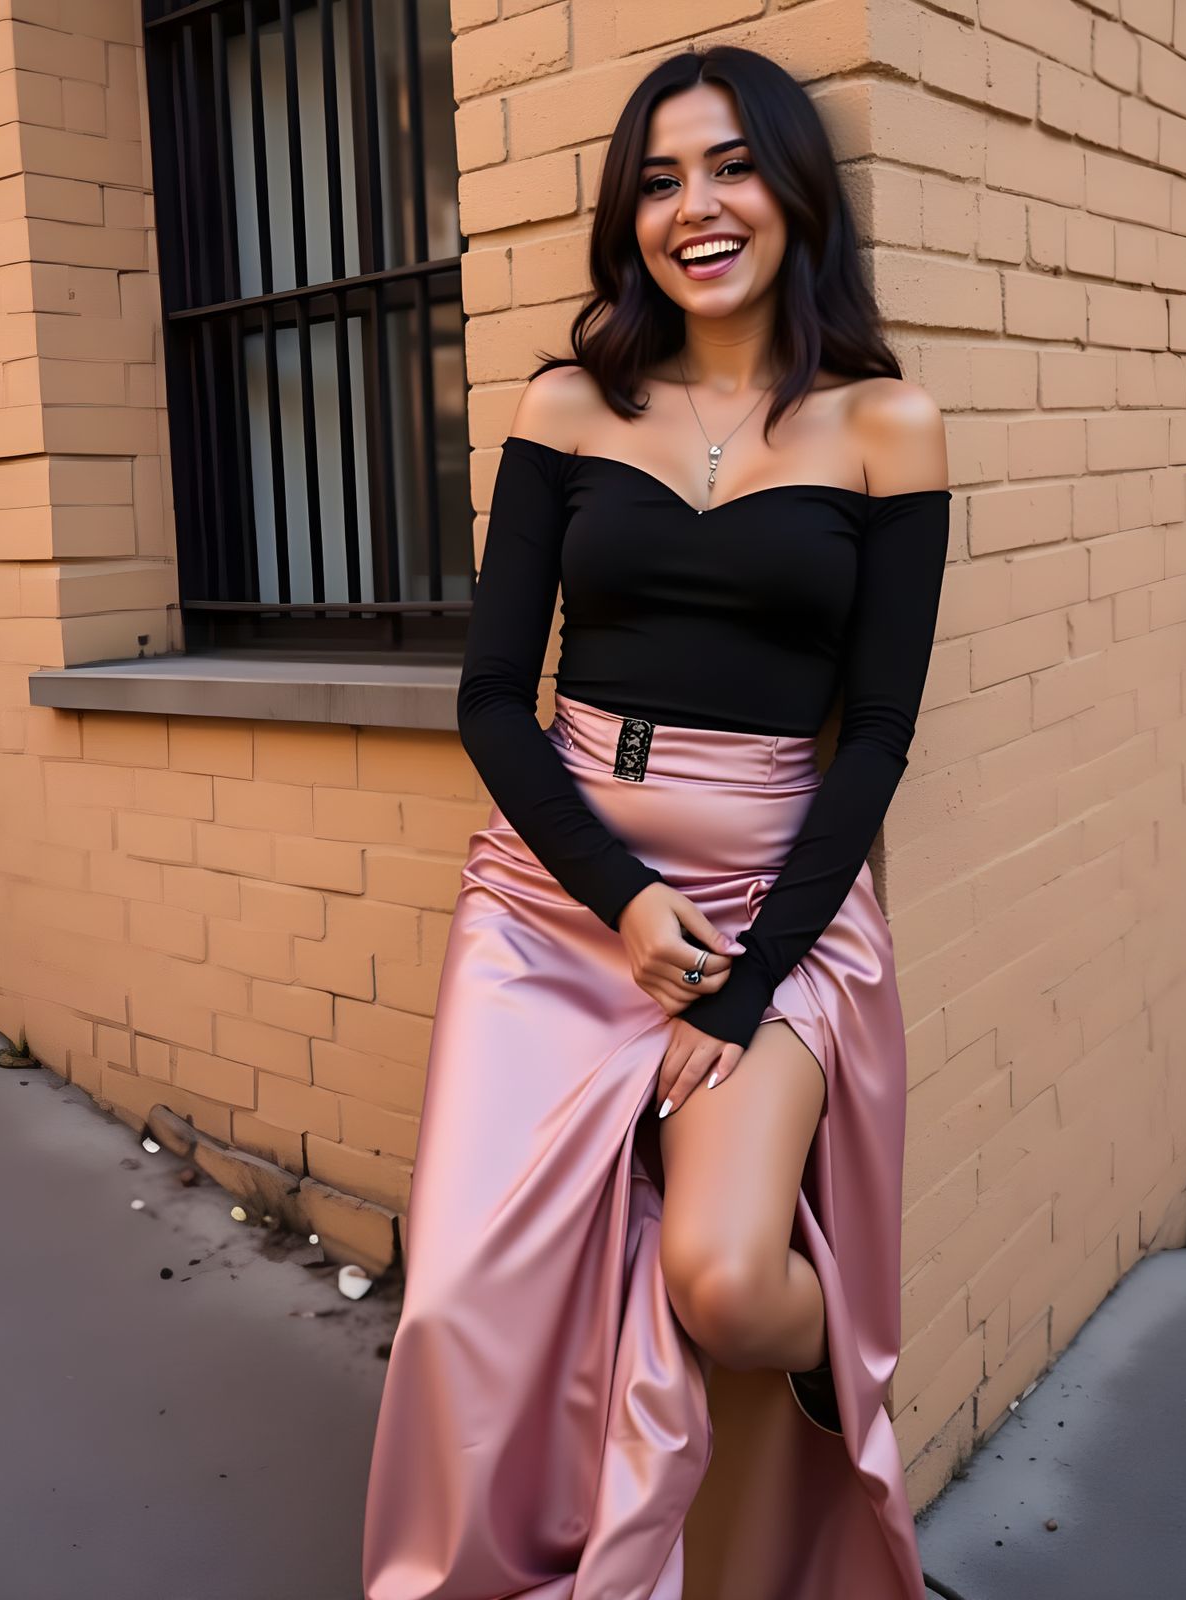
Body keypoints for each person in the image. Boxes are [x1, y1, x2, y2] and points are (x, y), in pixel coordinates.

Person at [362, 42, 950, 1600]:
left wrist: (750, 983)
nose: (695, 207)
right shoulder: (566, 407)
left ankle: (838, 1367)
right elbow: (494, 700)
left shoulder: (887, 423)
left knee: (721, 1275)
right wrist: (620, 899)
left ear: (794, 189)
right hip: (559, 893)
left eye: (732, 166)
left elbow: (877, 736)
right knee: (451, 1301)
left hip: (770, 893)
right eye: (659, 179)